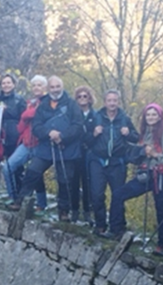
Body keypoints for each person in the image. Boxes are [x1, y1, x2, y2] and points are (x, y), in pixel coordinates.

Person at [105, 103, 163, 256]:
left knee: (161, 209)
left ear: (159, 116)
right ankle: (115, 229)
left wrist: (154, 155)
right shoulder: (144, 133)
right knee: (118, 195)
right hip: (146, 174)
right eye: (148, 115)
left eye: (153, 115)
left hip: (160, 176)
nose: (150, 117)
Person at [10, 76, 83, 221]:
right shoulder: (43, 106)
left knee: (64, 180)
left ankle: (63, 211)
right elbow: (36, 126)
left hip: (66, 148)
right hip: (46, 147)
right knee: (32, 172)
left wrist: (62, 136)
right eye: (52, 87)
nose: (55, 90)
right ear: (48, 89)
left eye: (58, 87)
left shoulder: (72, 104)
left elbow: (78, 126)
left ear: (62, 87)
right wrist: (49, 133)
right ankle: (21, 201)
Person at [86, 89, 139, 236]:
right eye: (109, 100)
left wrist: (128, 134)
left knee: (118, 195)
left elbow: (136, 138)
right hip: (98, 160)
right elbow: (86, 140)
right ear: (105, 102)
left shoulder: (124, 118)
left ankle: (117, 227)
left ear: (118, 102)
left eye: (115, 100)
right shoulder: (96, 117)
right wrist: (94, 134)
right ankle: (100, 225)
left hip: (117, 162)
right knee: (96, 195)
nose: (112, 103)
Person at [2, 75, 48, 211]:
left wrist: (27, 115)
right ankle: (13, 196)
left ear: (44, 87)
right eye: (34, 85)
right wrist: (25, 117)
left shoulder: (48, 102)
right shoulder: (29, 102)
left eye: (39, 85)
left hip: (41, 144)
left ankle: (41, 204)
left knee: (35, 173)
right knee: (8, 167)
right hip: (27, 142)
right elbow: (21, 126)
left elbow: (38, 114)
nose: (36, 88)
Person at [70, 86, 96, 224]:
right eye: (79, 96)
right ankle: (74, 210)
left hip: (89, 153)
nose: (82, 99)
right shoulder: (73, 113)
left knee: (88, 183)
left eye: (85, 96)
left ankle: (87, 212)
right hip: (74, 152)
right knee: (73, 182)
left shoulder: (95, 115)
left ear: (90, 98)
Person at [0, 73, 26, 161]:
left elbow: (23, 118)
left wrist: (6, 110)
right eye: (4, 83)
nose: (6, 85)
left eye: (8, 83)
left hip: (14, 136)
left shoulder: (19, 99)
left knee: (14, 162)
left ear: (13, 84)